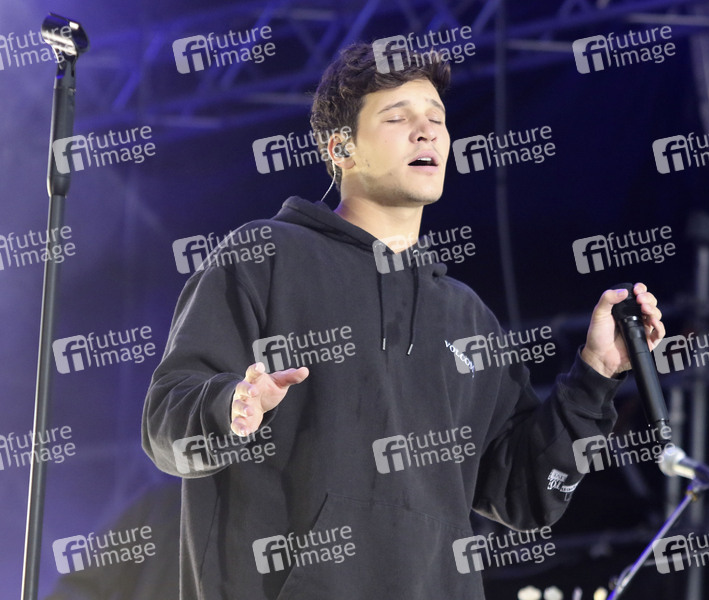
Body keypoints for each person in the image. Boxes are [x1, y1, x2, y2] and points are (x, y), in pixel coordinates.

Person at [142, 42, 664, 600]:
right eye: (398, 118)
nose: (427, 133)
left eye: (437, 119)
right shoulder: (264, 256)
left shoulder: (467, 316)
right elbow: (164, 423)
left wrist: (595, 373)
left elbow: (523, 496)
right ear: (341, 147)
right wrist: (231, 406)